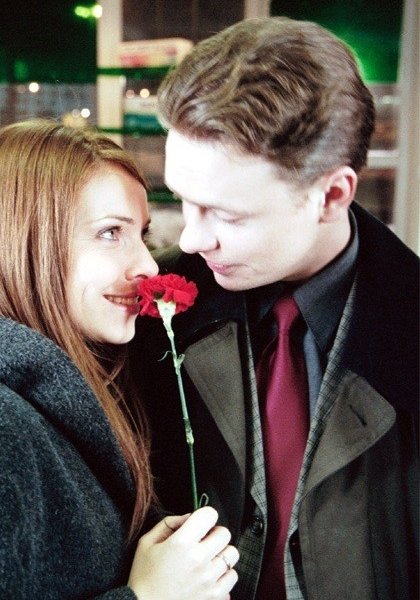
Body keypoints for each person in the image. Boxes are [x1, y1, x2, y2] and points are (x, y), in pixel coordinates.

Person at [130, 17, 419, 600]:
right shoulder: (144, 309)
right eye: (181, 200)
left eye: (227, 214)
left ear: (332, 195)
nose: (190, 239)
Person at [0, 119, 240, 599]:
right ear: (22, 245)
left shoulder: (74, 396)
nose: (148, 265)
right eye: (110, 232)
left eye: (143, 235)